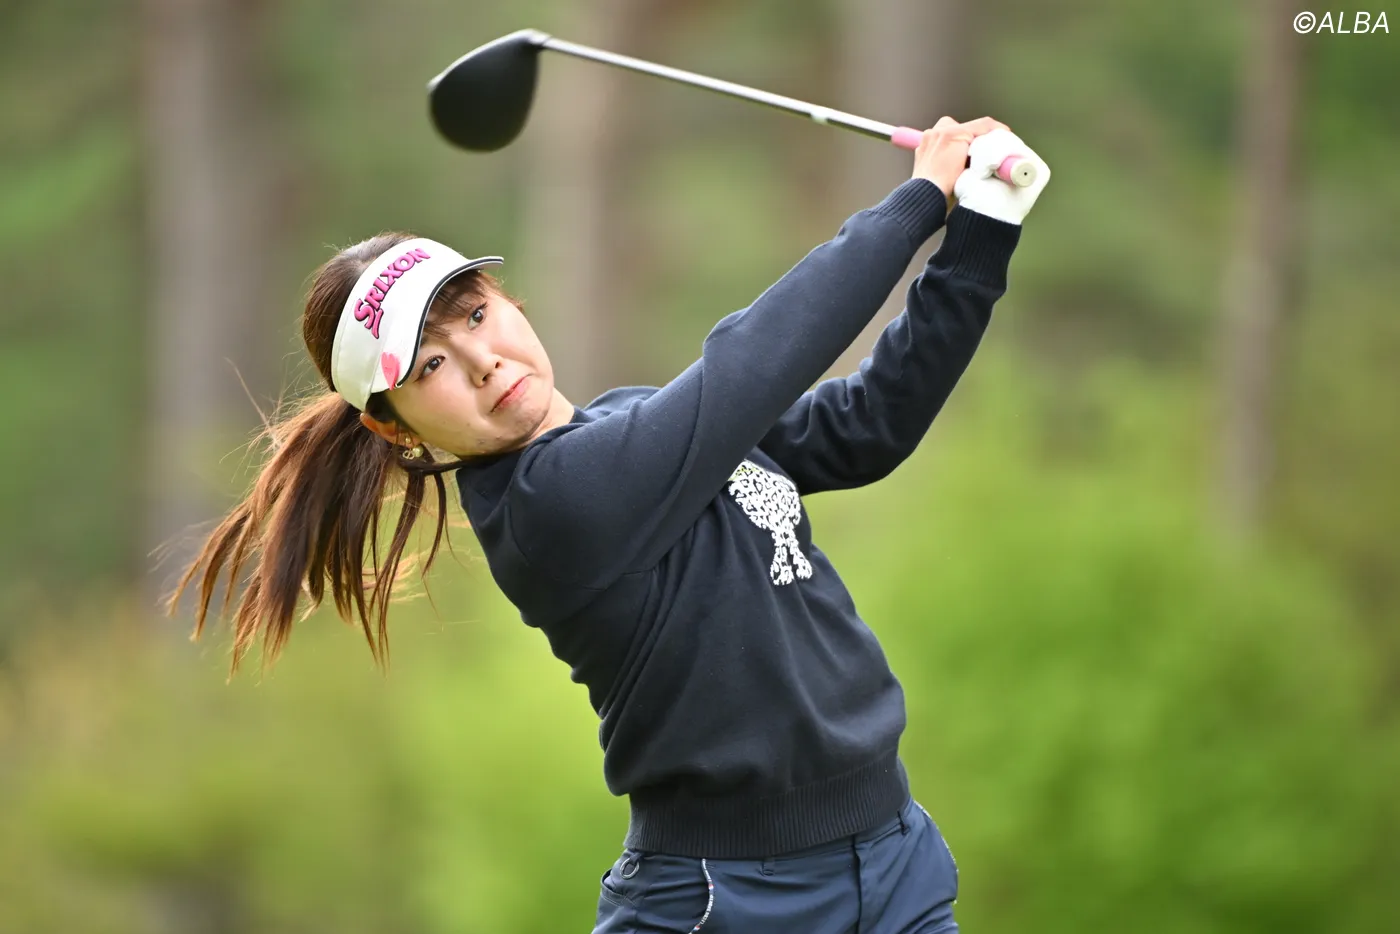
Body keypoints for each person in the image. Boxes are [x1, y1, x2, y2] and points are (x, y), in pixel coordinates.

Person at [171, 115, 1050, 933]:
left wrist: (981, 231)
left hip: (894, 862)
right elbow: (754, 361)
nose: (481, 361)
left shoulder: (634, 423)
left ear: (510, 303)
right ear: (394, 428)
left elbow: (866, 428)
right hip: (729, 901)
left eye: (475, 314)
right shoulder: (549, 507)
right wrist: (916, 202)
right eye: (430, 364)